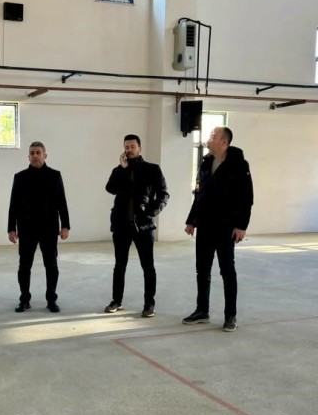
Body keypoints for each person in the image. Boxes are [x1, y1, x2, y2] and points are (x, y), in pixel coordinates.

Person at [183, 126, 253, 332]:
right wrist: (191, 220)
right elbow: (199, 194)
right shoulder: (206, 162)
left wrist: (241, 225)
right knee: (202, 270)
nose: (209, 138)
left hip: (226, 227)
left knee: (227, 270)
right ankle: (202, 310)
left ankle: (230, 315)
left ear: (224, 142)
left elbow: (246, 197)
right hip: (205, 225)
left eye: (213, 135)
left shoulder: (239, 164)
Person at [104, 134, 169, 318]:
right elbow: (110, 188)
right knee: (119, 265)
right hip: (121, 225)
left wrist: (150, 213)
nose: (129, 150)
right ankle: (116, 301)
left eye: (133, 147)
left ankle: (149, 304)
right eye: (126, 147)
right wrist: (122, 169)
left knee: (148, 266)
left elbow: (164, 195)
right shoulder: (119, 170)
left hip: (143, 225)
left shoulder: (152, 169)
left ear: (140, 148)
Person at [8, 141, 70, 313]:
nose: (35, 156)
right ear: (28, 156)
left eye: (38, 152)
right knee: (24, 266)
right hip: (26, 229)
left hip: (49, 229)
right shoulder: (20, 177)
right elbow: (13, 204)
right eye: (32, 153)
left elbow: (61, 202)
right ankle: (24, 299)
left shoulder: (55, 175)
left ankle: (51, 299)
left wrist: (65, 225)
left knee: (51, 265)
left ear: (45, 155)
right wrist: (11, 228)